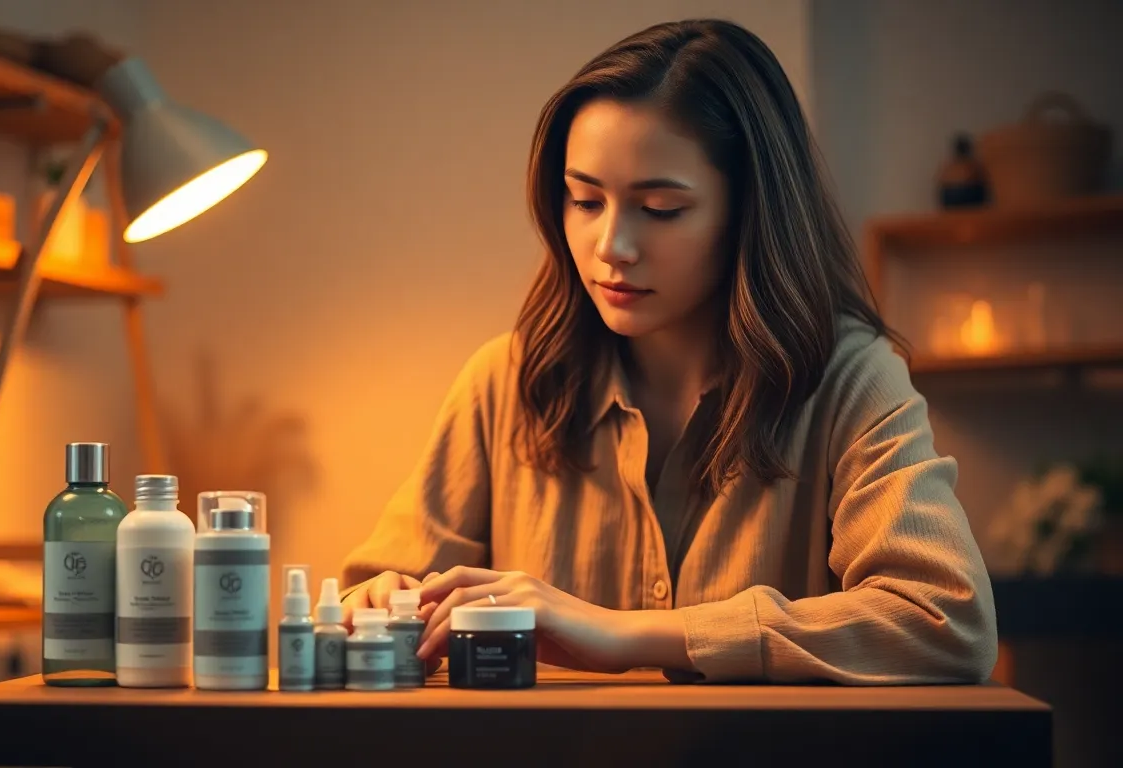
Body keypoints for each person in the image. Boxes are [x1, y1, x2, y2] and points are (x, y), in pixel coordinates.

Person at [339, 19, 997, 685]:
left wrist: (626, 634)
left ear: (749, 212)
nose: (611, 246)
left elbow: (945, 623)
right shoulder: (503, 382)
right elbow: (374, 594)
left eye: (659, 208)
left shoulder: (851, 379)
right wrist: (377, 603)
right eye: (584, 200)